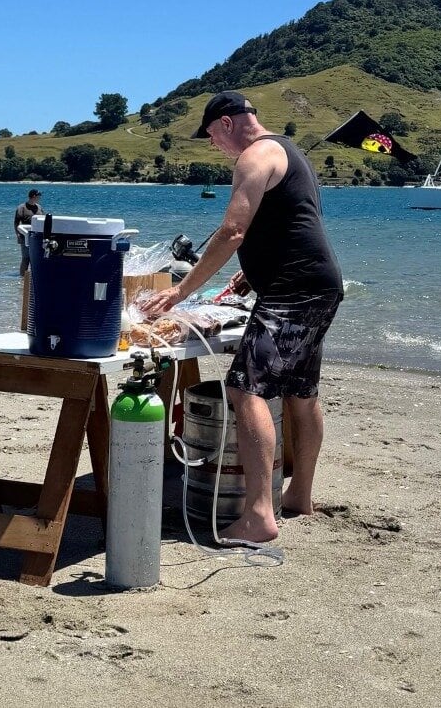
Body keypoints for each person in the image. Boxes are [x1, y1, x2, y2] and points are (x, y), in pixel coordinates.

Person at [143, 91, 342, 544]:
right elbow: (291, 223)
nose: (213, 144)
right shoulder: (289, 151)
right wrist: (251, 273)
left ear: (227, 123)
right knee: (301, 391)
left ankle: (258, 515)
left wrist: (179, 291)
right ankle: (299, 496)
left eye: (211, 134)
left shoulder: (254, 156)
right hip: (318, 284)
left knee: (245, 388)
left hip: (292, 290)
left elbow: (233, 230)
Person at [14, 189, 43, 275]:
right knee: (26, 258)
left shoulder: (39, 207)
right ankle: (22, 278)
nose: (40, 198)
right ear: (34, 196)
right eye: (39, 196)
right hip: (25, 236)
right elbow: (16, 223)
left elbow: (43, 220)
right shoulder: (22, 207)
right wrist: (18, 235)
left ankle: (33, 277)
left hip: (37, 236)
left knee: (36, 258)